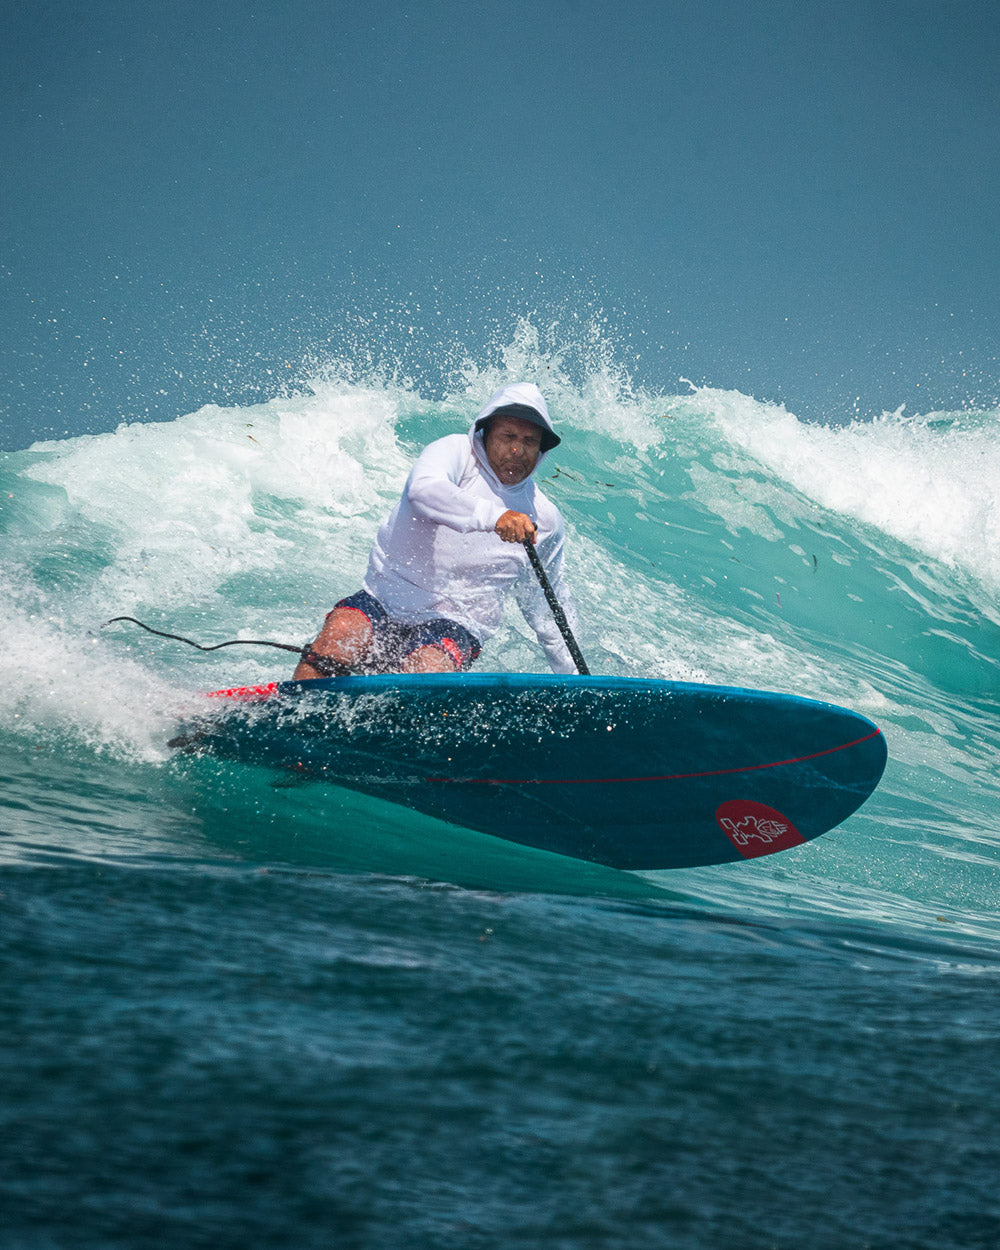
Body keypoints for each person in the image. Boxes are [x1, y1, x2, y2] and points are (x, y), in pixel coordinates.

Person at [294, 381, 579, 679]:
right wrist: (495, 517)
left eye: (529, 441)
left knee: (428, 665)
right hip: (384, 599)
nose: (518, 449)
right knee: (340, 633)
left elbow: (548, 608)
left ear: (541, 449)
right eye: (508, 436)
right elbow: (423, 490)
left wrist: (577, 680)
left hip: (457, 623)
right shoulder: (455, 452)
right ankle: (294, 712)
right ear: (487, 434)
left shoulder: (543, 519)